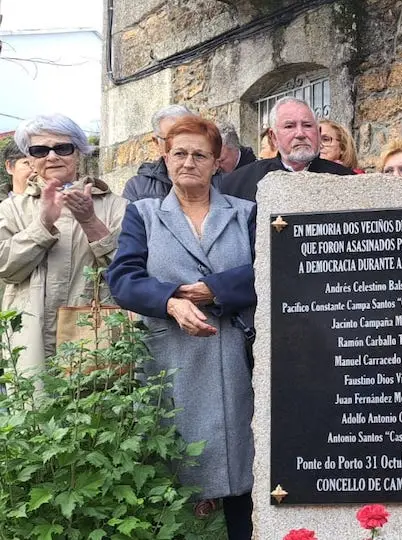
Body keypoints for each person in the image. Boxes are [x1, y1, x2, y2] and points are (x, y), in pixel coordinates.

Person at [107, 116, 256, 540]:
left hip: (232, 354)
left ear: (216, 163)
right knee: (172, 467)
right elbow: (123, 278)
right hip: (169, 359)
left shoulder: (246, 214)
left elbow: (267, 269)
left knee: (241, 463)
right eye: (180, 153)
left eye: (200, 155)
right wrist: (171, 301)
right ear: (166, 158)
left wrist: (215, 289)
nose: (189, 162)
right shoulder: (144, 215)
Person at [0, 113, 127, 373]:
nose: (52, 156)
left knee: (96, 409)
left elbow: (129, 270)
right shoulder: (11, 209)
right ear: (31, 158)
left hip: (97, 335)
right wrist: (42, 225)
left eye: (62, 148)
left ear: (78, 153)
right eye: (40, 150)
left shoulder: (116, 205)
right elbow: (5, 268)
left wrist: (90, 221)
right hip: (29, 339)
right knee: (34, 409)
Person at [215, 98, 354, 202]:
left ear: (318, 133)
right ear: (273, 137)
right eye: (289, 126)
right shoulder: (236, 185)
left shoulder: (348, 180)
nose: (300, 134)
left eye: (307, 125)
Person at [122, 104, 194, 202]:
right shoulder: (137, 187)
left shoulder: (216, 179)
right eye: (170, 140)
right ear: (156, 143)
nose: (179, 146)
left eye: (186, 137)